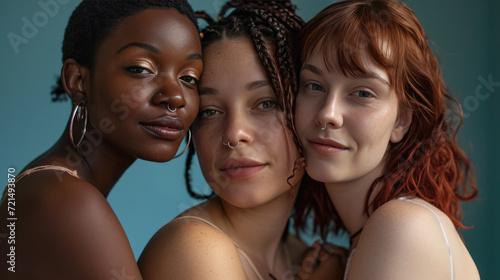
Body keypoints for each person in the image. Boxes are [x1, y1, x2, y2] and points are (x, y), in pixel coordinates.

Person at [0, 1, 202, 279]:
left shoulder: (48, 185)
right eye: (141, 68)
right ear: (78, 80)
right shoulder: (66, 201)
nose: (176, 97)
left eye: (189, 78)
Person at [292, 0, 480, 279]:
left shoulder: (402, 227)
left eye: (363, 93)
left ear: (402, 120)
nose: (327, 114)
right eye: (314, 86)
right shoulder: (375, 232)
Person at [138, 1, 311, 279]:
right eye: (210, 111)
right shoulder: (195, 248)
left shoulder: (300, 257)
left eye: (265, 103)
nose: (233, 134)